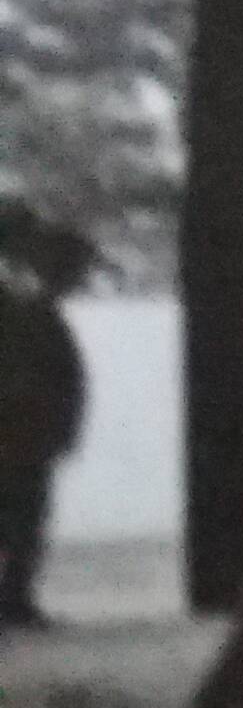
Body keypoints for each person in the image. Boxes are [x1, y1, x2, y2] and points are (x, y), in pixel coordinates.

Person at [0, 204, 95, 633]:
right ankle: (15, 599)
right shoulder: (24, 302)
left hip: (27, 428)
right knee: (24, 515)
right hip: (22, 428)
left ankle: (15, 598)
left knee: (23, 515)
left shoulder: (26, 298)